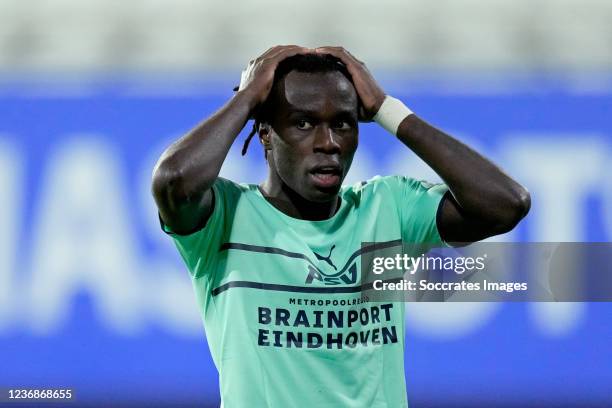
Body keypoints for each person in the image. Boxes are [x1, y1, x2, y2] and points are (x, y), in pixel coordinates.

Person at [151, 45, 530, 407]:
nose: (328, 142)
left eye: (343, 124)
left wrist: (387, 110)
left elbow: (506, 204)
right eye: (303, 123)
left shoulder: (388, 207)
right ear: (265, 132)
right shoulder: (227, 217)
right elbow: (173, 181)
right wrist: (248, 98)